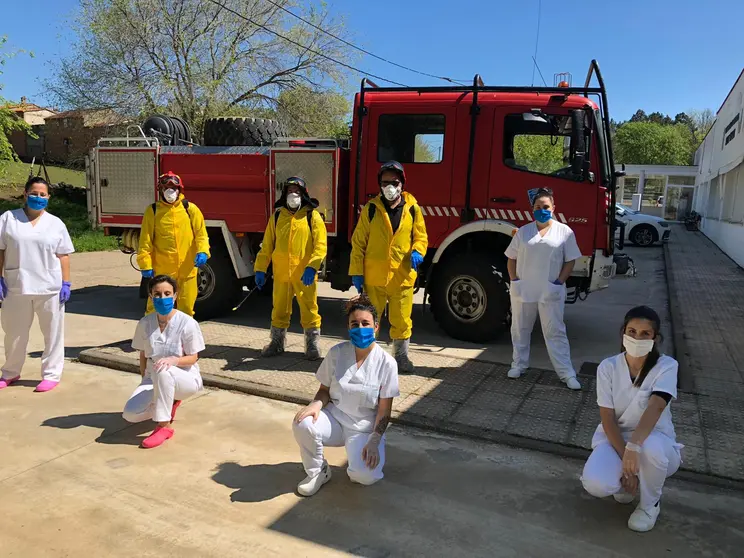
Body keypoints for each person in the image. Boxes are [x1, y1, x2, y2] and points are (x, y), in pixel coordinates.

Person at [581, 306, 682, 532]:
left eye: (646, 333)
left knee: (652, 448)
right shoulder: (608, 367)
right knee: (596, 483)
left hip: (656, 442)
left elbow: (656, 406)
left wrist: (634, 447)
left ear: (655, 338)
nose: (637, 337)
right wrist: (627, 462)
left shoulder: (667, 366)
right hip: (617, 439)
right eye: (632, 331)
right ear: (623, 333)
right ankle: (626, 485)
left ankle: (649, 505)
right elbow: (607, 418)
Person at [292, 294, 399, 496]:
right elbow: (324, 390)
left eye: (365, 323)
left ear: (376, 327)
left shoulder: (387, 363)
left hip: (364, 429)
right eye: (354, 323)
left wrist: (375, 439)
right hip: (335, 419)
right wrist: (316, 404)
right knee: (303, 422)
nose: (360, 328)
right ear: (348, 328)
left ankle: (360, 454)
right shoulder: (337, 353)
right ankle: (318, 471)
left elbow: (385, 410)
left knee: (365, 476)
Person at [349, 161, 428, 373]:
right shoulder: (372, 209)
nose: (390, 187)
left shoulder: (412, 208)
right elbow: (358, 242)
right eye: (385, 183)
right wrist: (356, 271)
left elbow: (421, 236)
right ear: (379, 185)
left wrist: (418, 251)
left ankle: (400, 358)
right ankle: (366, 359)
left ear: (402, 183)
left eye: (394, 182)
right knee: (368, 320)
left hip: (401, 277)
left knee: (401, 320)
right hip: (374, 277)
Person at [0, 177, 74, 393]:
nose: (38, 197)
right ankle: (10, 373)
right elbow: (1, 251)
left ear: (48, 197)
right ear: (25, 194)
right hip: (16, 286)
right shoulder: (8, 219)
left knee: (52, 333)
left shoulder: (55, 223)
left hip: (49, 287)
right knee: (14, 333)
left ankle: (51, 374)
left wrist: (66, 283)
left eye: (43, 194)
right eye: (34, 193)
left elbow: (64, 255)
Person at [505, 188, 582, 390]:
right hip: (524, 288)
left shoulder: (564, 232)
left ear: (553, 208)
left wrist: (558, 282)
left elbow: (570, 261)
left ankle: (566, 373)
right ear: (532, 209)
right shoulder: (523, 232)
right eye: (538, 207)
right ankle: (518, 364)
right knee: (520, 328)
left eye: (545, 207)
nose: (542, 210)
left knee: (555, 331)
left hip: (550, 290)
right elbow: (511, 258)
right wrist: (514, 280)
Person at [123, 275, 205, 449]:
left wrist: (175, 360)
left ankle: (164, 426)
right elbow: (144, 355)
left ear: (175, 296)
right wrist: (144, 379)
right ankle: (168, 403)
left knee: (163, 369)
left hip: (185, 378)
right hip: (154, 378)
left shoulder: (187, 323)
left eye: (167, 293)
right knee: (130, 414)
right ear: (151, 297)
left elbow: (194, 357)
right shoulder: (145, 323)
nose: (162, 298)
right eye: (157, 294)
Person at [254, 176, 327, 360]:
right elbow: (267, 245)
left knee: (310, 309)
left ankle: (312, 346)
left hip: (305, 275)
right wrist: (260, 268)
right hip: (281, 274)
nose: (293, 195)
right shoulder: (278, 216)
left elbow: (320, 245)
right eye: (289, 191)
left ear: (303, 194)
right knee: (279, 309)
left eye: (296, 191)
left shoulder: (312, 216)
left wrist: (312, 266)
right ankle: (277, 343)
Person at [137, 171, 210, 318]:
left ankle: (182, 339)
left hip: (187, 270)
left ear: (180, 190)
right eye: (166, 189)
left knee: (187, 311)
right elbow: (145, 241)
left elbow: (201, 235)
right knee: (156, 309)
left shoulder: (190, 210)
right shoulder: (153, 211)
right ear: (161, 191)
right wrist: (145, 264)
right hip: (163, 271)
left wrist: (203, 251)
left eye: (174, 188)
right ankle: (152, 338)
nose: (170, 192)